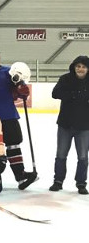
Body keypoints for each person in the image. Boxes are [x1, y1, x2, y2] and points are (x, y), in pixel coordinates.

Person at [0, 49, 37, 190]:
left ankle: (21, 176)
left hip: (8, 115)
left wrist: (23, 90)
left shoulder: (10, 72)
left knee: (14, 146)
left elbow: (21, 90)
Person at [50, 55, 89, 194]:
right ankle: (58, 181)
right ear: (74, 67)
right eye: (78, 66)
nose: (80, 69)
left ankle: (81, 183)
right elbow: (55, 93)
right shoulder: (65, 79)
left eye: (83, 67)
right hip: (65, 124)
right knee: (61, 154)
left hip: (84, 126)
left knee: (83, 156)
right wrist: (74, 95)